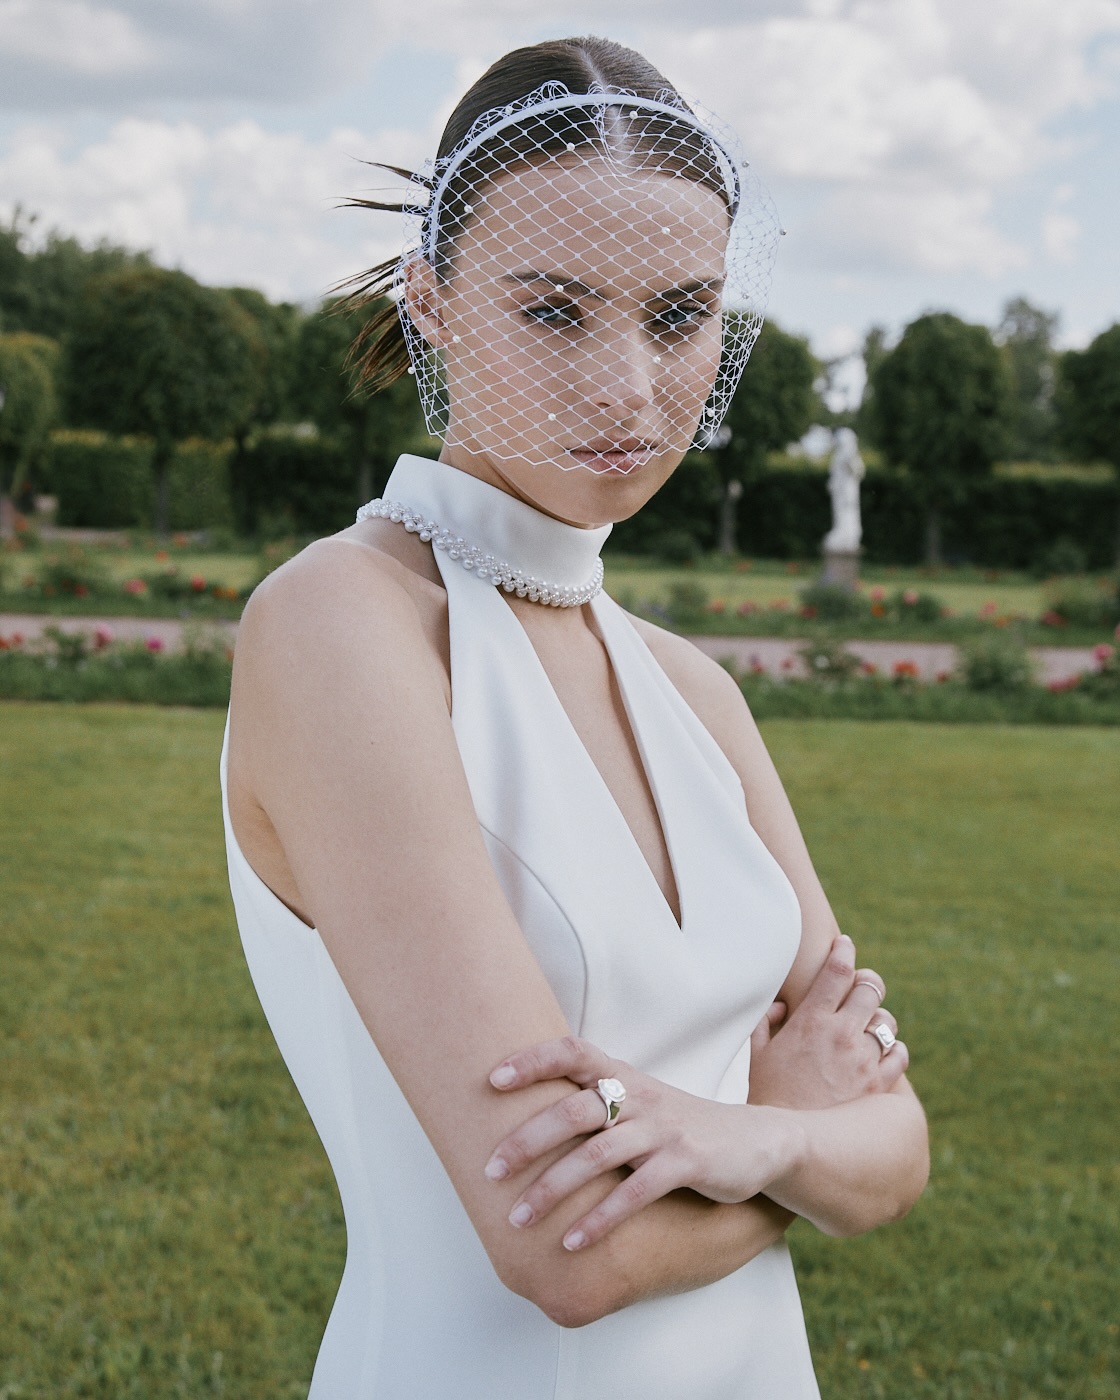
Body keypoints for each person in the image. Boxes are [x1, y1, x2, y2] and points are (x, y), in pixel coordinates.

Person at [220, 35, 929, 1399]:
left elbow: (899, 1151)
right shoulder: (343, 627)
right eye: (555, 313)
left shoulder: (696, 692)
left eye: (679, 315)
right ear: (431, 301)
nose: (629, 387)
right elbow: (567, 1252)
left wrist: (770, 1143)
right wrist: (796, 1139)